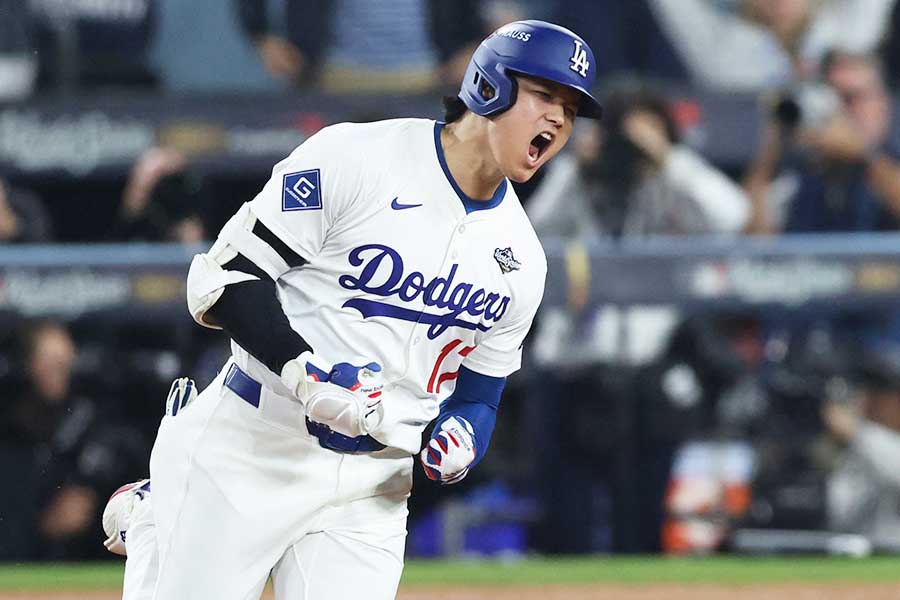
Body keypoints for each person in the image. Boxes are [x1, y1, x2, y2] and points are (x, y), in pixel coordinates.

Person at [101, 20, 603, 599]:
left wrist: (464, 435)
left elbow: (480, 396)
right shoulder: (359, 156)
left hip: (374, 485)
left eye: (570, 110)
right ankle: (159, 518)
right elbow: (227, 280)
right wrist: (305, 372)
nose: (558, 119)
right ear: (490, 86)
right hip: (253, 445)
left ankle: (161, 512)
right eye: (544, 96)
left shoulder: (523, 258)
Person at [0, 320, 144, 560]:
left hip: (89, 560)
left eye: (66, 365)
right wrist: (43, 526)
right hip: (23, 562)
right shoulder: (10, 438)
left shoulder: (88, 421)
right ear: (25, 365)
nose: (61, 374)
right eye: (51, 364)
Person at [744, 50, 900, 233]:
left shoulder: (890, 162)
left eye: (851, 98)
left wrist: (863, 154)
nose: (839, 110)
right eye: (831, 99)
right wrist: (771, 153)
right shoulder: (803, 171)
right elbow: (756, 240)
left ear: (883, 104)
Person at [234, 0, 486, 93]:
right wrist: (261, 35)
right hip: (334, 77)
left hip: (429, 77)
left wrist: (477, 47)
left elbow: (494, 11)